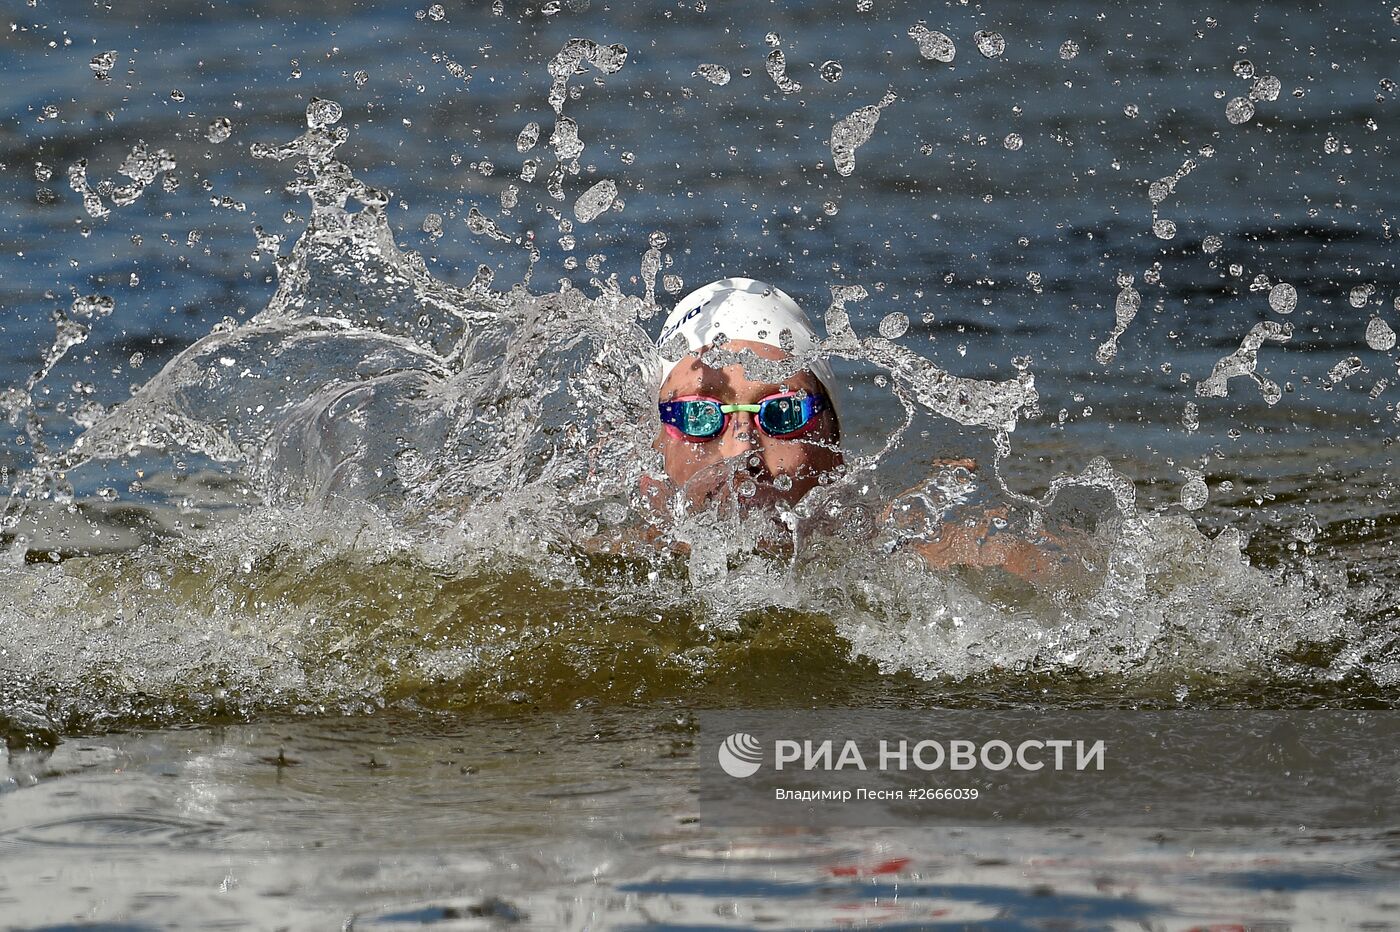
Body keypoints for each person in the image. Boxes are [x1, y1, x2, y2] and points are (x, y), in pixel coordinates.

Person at [634, 277, 1079, 587]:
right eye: (698, 415)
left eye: (783, 412)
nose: (742, 448)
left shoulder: (902, 550)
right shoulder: (604, 564)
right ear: (653, 453)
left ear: (835, 449)